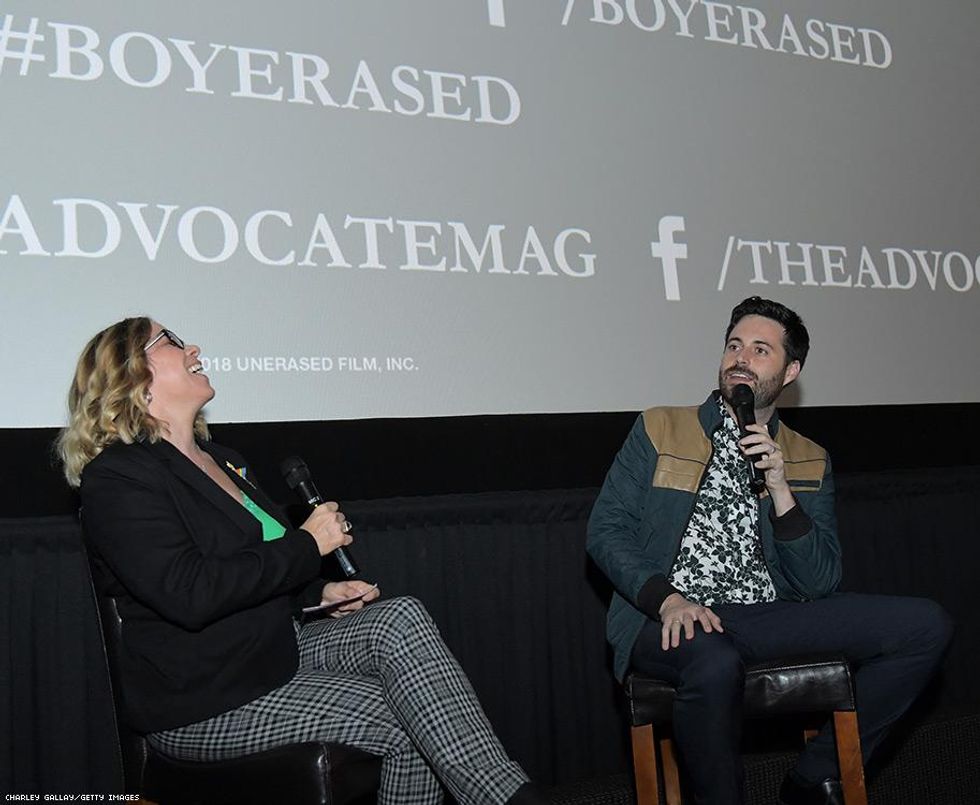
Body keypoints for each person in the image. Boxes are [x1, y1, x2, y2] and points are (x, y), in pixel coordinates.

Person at [58, 316, 549, 805]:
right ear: (131, 376)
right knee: (412, 719)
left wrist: (317, 596)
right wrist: (308, 546)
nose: (194, 348)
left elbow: (257, 568)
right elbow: (190, 592)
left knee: (399, 617)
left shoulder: (224, 459)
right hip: (203, 701)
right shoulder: (119, 478)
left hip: (273, 654)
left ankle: (507, 796)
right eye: (171, 341)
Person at [586, 297, 952, 805]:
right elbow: (606, 530)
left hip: (763, 615)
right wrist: (667, 599)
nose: (740, 357)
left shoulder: (807, 457)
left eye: (760, 350)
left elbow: (819, 582)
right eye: (734, 345)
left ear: (790, 370)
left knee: (923, 625)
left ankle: (811, 779)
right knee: (712, 662)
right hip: (668, 617)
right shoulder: (660, 426)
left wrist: (781, 490)